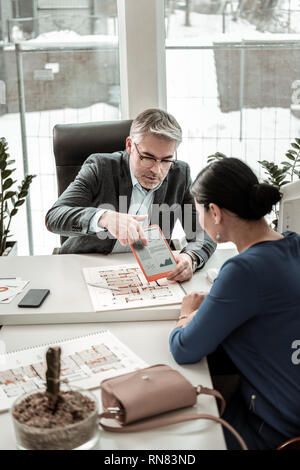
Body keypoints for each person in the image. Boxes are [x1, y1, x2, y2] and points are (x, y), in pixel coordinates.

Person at [169, 156, 300, 449]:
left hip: (278, 428)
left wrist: (187, 314)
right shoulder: (295, 243)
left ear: (214, 212)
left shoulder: (243, 271)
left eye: (199, 210)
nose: (199, 220)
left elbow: (184, 348)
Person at [46, 108, 216, 282]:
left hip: (148, 274)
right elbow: (54, 217)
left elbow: (204, 232)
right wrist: (103, 217)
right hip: (86, 268)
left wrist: (191, 258)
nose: (156, 170)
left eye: (166, 160)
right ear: (129, 146)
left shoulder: (180, 174)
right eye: (147, 157)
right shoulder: (100, 167)